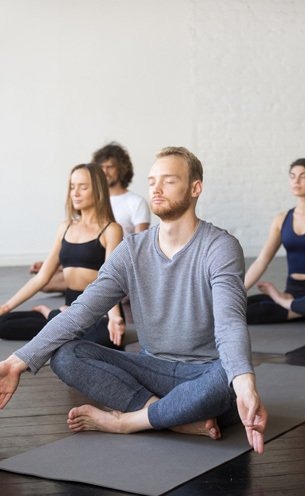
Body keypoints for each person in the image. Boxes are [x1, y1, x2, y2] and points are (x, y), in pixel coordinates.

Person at [0, 147, 267, 454]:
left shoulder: (220, 246)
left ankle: (127, 422)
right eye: (152, 180)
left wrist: (245, 384)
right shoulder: (131, 250)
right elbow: (82, 311)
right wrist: (15, 363)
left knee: (228, 380)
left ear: (195, 188)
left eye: (168, 181)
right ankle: (168, 416)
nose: (156, 188)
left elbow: (230, 322)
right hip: (152, 369)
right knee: (65, 355)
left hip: (204, 374)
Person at [0, 163, 125, 347]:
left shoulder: (111, 229)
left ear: (98, 190)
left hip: (97, 308)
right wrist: (6, 306)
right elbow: (42, 277)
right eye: (72, 187)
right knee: (3, 324)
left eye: (83, 187)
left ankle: (51, 315)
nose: (75, 193)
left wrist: (115, 317)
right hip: (70, 307)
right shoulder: (65, 227)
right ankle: (57, 317)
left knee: (101, 339)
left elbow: (110, 279)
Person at [31, 142, 151, 293]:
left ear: (122, 169)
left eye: (110, 167)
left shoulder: (136, 202)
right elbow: (80, 243)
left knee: (49, 281)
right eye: (102, 167)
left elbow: (139, 245)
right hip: (90, 257)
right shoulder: (87, 199)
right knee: (44, 280)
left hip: (113, 261)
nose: (105, 171)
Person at [245, 158, 305, 324]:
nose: (296, 181)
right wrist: (238, 290)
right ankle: (290, 305)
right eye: (292, 176)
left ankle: (289, 304)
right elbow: (261, 261)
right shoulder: (282, 219)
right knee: (240, 306)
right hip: (292, 291)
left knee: (253, 312)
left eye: (303, 176)